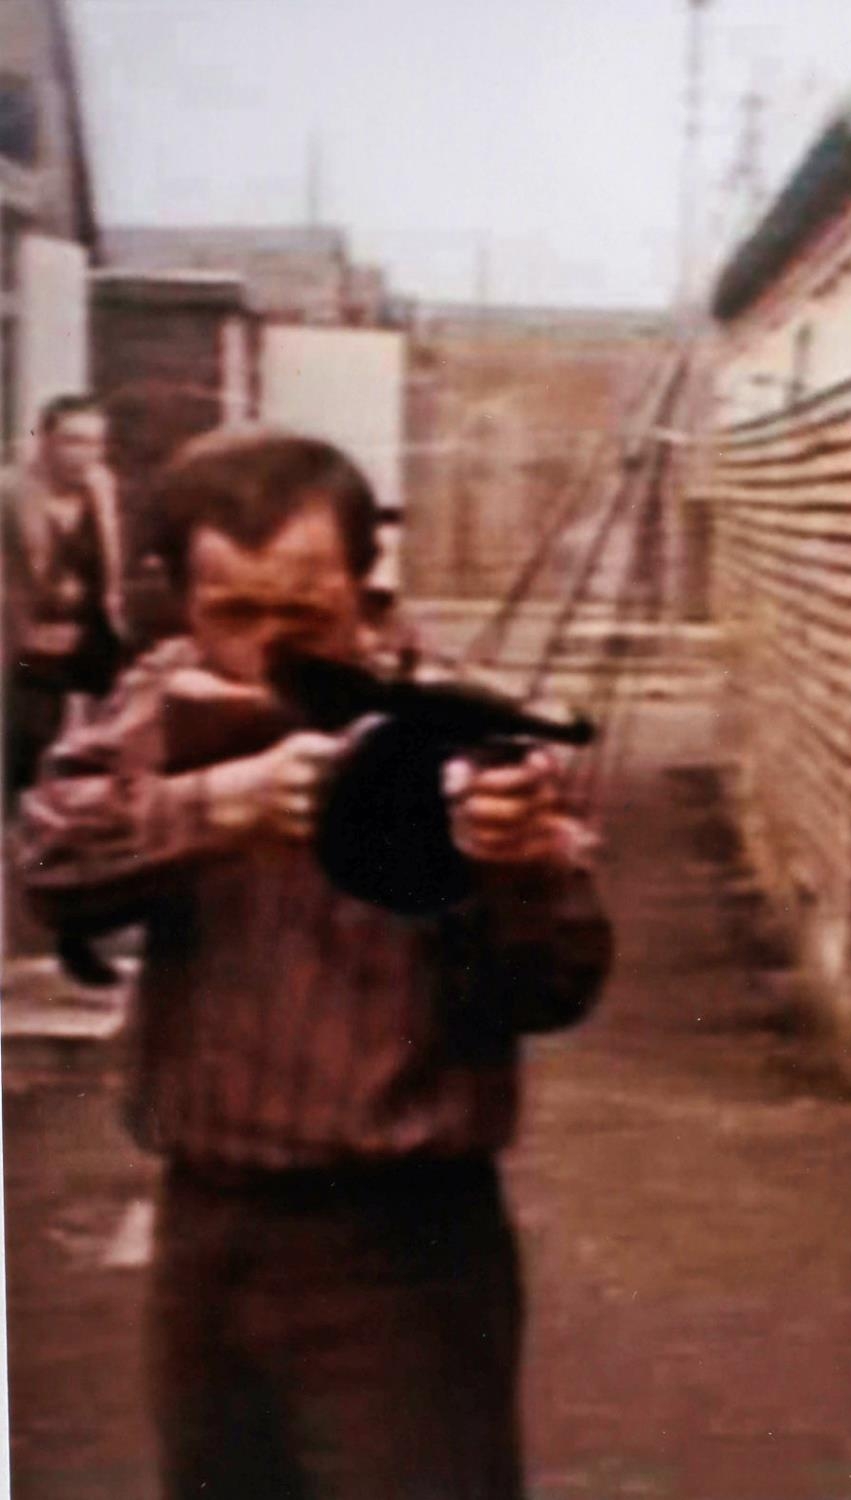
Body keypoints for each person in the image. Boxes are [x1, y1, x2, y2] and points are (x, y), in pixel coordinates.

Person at [18, 428, 613, 1500]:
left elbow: (556, 988)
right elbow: (48, 866)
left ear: (365, 585)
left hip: (400, 1251)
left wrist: (514, 868)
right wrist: (216, 806)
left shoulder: (466, 725)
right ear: (181, 599)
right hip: (207, 1225)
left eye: (305, 618)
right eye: (231, 616)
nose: (265, 652)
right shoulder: (165, 699)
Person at [3, 392, 127, 802]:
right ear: (46, 441)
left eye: (94, 442)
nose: (85, 454)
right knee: (24, 755)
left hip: (91, 642)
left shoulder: (101, 486)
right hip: (27, 649)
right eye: (73, 441)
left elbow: (108, 564)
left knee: (103, 756)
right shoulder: (11, 493)